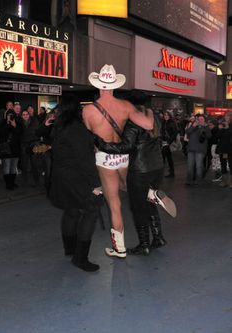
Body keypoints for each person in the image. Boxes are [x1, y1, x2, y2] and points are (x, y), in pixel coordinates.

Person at [83, 64, 154, 258]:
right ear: (114, 85)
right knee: (128, 187)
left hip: (104, 159)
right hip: (123, 156)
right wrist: (149, 111)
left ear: (99, 85)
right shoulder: (126, 106)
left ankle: (119, 248)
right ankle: (150, 193)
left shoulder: (88, 110)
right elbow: (148, 124)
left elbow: (90, 140)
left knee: (114, 204)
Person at [95, 94, 171, 255]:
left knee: (138, 207)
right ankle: (158, 237)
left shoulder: (133, 122)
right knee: (150, 201)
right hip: (157, 167)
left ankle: (144, 244)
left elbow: (125, 147)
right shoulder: (155, 118)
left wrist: (102, 144)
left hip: (140, 170)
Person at [49, 95, 102, 272]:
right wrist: (96, 184)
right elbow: (85, 160)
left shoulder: (59, 127)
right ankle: (80, 258)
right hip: (77, 179)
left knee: (71, 211)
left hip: (61, 178)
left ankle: (70, 249)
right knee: (91, 212)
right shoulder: (76, 129)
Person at [0, 110, 22, 190]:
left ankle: (12, 182)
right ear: (6, 116)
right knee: (7, 167)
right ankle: (8, 184)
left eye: (12, 115)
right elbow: (1, 134)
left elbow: (20, 134)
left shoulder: (17, 123)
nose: (10, 116)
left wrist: (15, 126)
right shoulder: (3, 123)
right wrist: (8, 124)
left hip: (15, 149)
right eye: (9, 115)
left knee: (13, 167)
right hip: (6, 149)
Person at [185, 115, 211, 186]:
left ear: (204, 120)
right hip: (191, 149)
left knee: (198, 166)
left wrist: (203, 128)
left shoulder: (206, 127)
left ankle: (198, 180)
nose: (200, 120)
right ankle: (189, 180)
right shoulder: (193, 126)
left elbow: (209, 135)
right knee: (190, 166)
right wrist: (193, 126)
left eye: (202, 119)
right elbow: (187, 132)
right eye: (199, 119)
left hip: (200, 150)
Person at [20, 110, 40, 186]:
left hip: (33, 143)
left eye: (26, 114)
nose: (25, 116)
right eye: (23, 114)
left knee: (34, 163)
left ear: (29, 115)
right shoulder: (20, 123)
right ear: (22, 116)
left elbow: (35, 132)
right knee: (24, 164)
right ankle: (25, 181)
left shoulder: (34, 121)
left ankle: (37, 180)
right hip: (24, 144)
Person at [216, 113, 232, 187]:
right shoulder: (221, 125)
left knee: (231, 165)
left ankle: (231, 182)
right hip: (224, 150)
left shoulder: (230, 125)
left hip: (230, 149)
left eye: (228, 116)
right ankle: (224, 181)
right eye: (226, 116)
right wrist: (220, 129)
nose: (227, 117)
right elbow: (217, 136)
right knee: (223, 164)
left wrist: (228, 127)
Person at [161, 111, 178, 178]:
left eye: (167, 115)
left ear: (170, 116)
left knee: (164, 158)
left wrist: (169, 142)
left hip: (168, 143)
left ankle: (169, 172)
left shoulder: (172, 123)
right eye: (165, 115)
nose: (166, 116)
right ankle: (171, 172)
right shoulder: (163, 122)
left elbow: (175, 133)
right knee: (168, 158)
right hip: (163, 142)